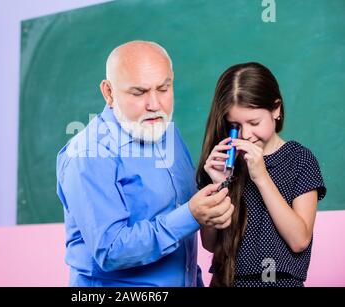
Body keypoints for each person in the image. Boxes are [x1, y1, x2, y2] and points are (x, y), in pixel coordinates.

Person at [56, 41, 234, 287]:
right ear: (108, 92)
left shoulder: (168, 133)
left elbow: (183, 237)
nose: (154, 105)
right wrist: (191, 215)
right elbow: (111, 250)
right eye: (139, 92)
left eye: (164, 88)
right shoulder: (88, 154)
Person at [198, 62, 327, 287]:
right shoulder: (225, 162)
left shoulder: (300, 160)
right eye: (235, 125)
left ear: (276, 109)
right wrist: (216, 188)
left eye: (254, 122)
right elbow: (209, 244)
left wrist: (261, 177)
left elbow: (299, 241)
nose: (246, 134)